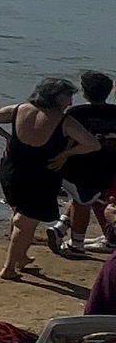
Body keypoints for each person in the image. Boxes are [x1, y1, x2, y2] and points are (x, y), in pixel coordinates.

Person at [0, 78, 100, 279]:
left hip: (12, 170)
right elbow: (92, 144)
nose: (70, 102)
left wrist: (8, 137)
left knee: (18, 213)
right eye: (67, 96)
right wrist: (65, 154)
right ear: (55, 96)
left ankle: (21, 256)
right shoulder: (64, 121)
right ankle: (9, 268)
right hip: (41, 175)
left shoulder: (18, 110)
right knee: (26, 222)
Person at [61, 70, 116, 253]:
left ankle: (76, 243)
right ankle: (111, 236)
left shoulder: (77, 113)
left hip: (81, 167)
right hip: (109, 167)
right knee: (101, 201)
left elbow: (66, 140)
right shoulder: (114, 112)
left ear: (84, 92)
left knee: (80, 201)